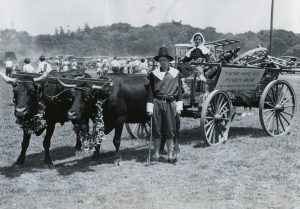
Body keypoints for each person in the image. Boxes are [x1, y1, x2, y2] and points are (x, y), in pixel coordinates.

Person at [147, 46, 183, 164]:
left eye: (165, 60)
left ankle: (170, 154)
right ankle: (156, 154)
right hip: (157, 103)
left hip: (170, 103)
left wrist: (179, 107)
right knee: (157, 129)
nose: (163, 62)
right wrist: (150, 108)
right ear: (159, 61)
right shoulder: (154, 74)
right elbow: (151, 92)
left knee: (170, 129)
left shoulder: (175, 73)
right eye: (161, 60)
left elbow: (179, 92)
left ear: (168, 61)